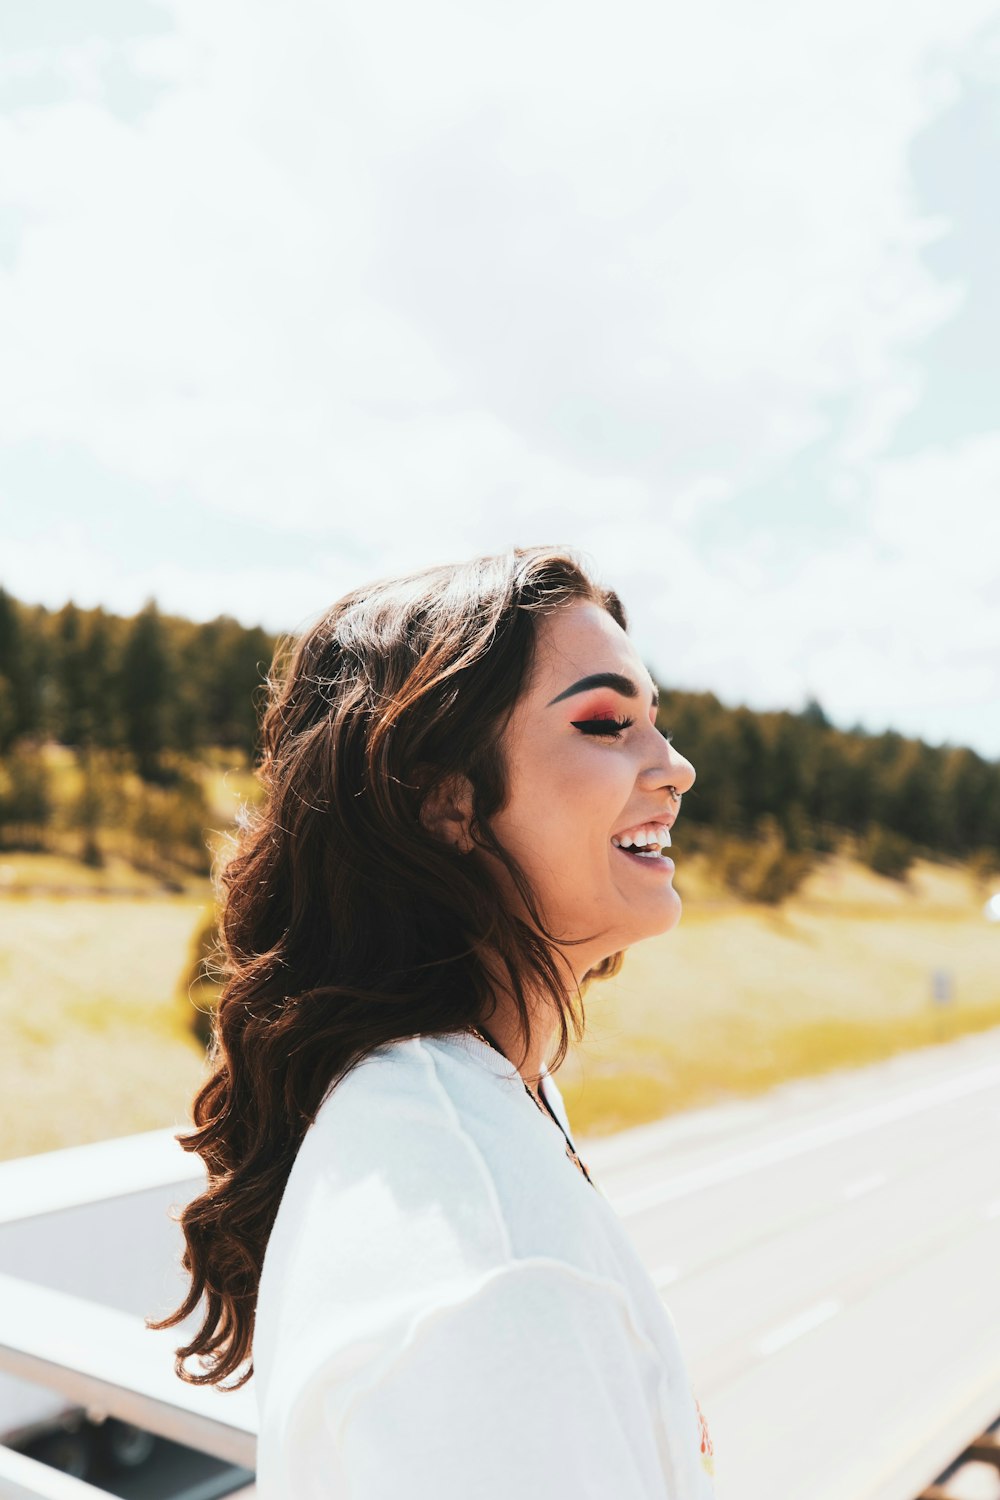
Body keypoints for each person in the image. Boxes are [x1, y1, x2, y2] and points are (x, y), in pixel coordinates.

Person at [148, 545, 714, 1497]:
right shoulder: (492, 1264)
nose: (676, 768)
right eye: (608, 722)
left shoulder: (467, 1094)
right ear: (445, 800)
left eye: (657, 723)